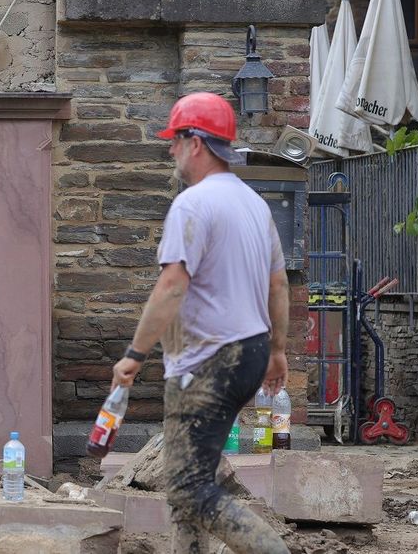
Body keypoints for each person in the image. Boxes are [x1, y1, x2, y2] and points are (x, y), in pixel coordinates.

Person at [110, 92, 290, 554]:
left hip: (209, 358)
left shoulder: (192, 205)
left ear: (196, 142)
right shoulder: (254, 205)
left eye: (174, 140)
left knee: (188, 487)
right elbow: (279, 286)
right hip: (249, 352)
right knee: (192, 477)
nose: (169, 150)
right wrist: (276, 351)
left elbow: (171, 286)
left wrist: (134, 355)